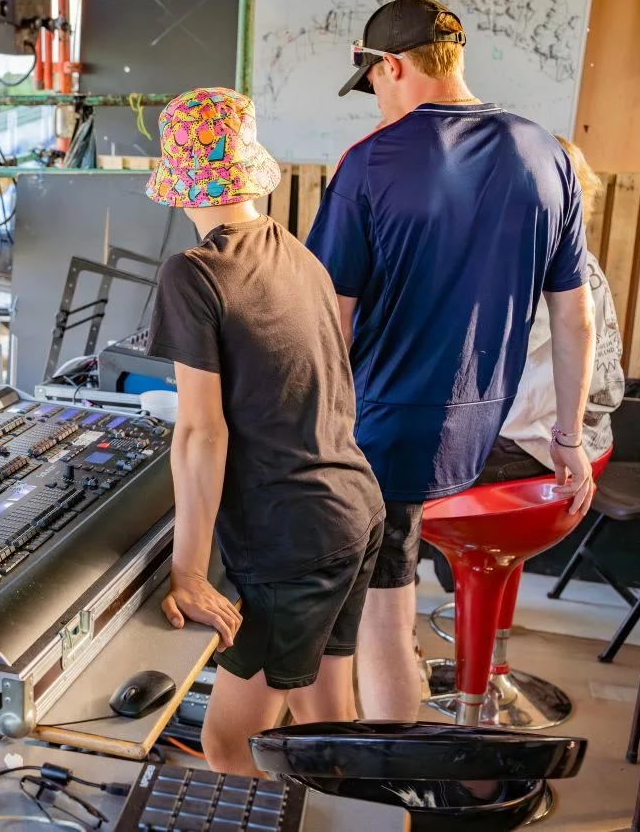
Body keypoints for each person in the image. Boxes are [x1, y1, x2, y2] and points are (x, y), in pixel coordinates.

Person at [305, 0, 598, 722]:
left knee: (369, 621)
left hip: (376, 432)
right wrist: (569, 437)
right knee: (385, 605)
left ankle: (375, 791)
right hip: (472, 434)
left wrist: (296, 437)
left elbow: (326, 322)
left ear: (393, 67)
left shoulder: (368, 162)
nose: (375, 99)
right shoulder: (547, 154)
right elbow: (574, 314)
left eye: (373, 82)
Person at [145, 87, 385, 775]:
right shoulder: (299, 256)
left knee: (230, 744)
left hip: (293, 541)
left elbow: (200, 433)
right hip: (353, 511)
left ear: (176, 185)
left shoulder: (194, 273)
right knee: (323, 717)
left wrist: (188, 572)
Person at [482, 136, 625, 483]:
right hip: (594, 434)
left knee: (403, 474)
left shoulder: (535, 268)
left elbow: (485, 357)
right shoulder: (582, 262)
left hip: (536, 443)